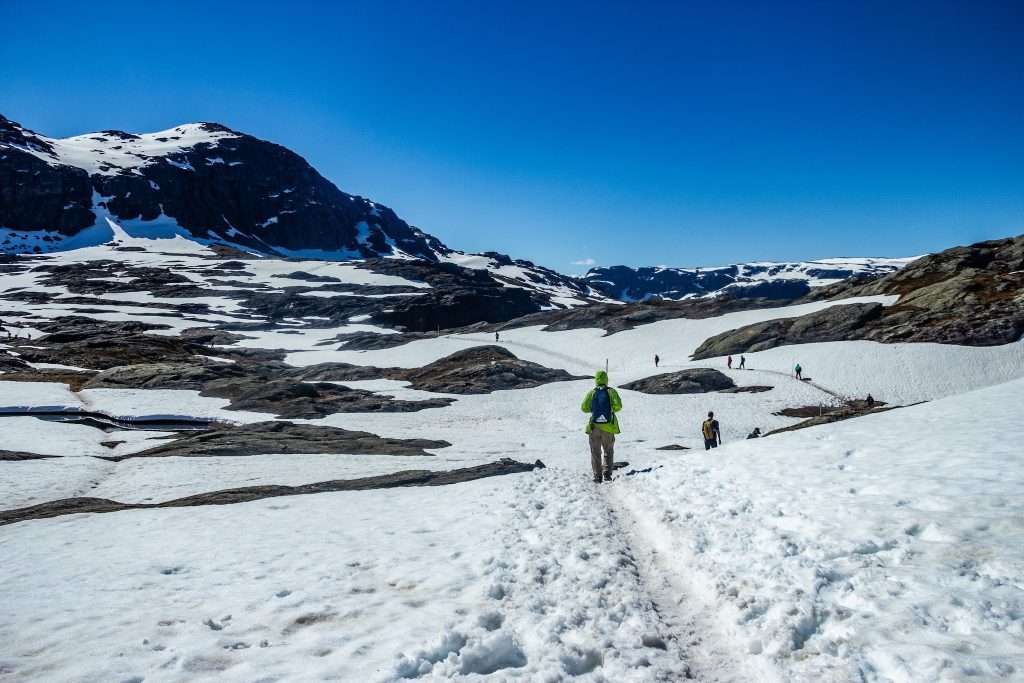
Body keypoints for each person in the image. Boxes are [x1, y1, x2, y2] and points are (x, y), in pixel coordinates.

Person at [581, 369, 623, 483]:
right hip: (608, 427)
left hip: (594, 426)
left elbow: (583, 408)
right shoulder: (611, 391)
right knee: (608, 451)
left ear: (596, 380)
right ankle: (607, 474)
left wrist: (593, 409)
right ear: (606, 379)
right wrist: (611, 409)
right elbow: (619, 406)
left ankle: (597, 476)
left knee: (595, 452)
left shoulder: (592, 392)